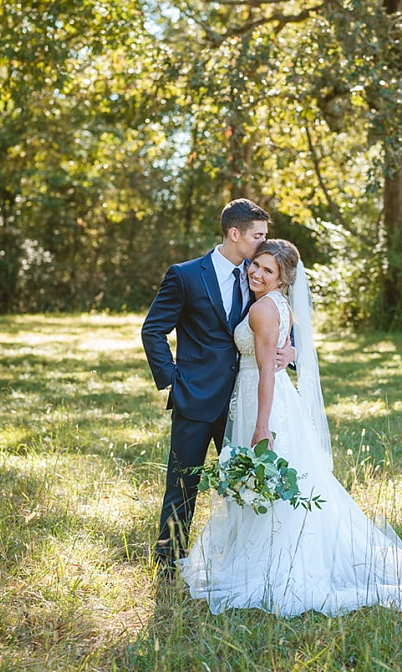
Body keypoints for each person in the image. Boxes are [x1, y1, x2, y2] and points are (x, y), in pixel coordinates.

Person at [180, 239, 402, 614]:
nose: (256, 273)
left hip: (264, 400)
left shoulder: (264, 308)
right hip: (269, 396)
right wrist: (289, 353)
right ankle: (261, 552)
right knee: (281, 481)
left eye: (268, 270)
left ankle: (275, 562)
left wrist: (261, 425)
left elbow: (265, 369)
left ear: (283, 280)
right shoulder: (275, 304)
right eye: (256, 265)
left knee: (272, 479)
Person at [141, 199, 294, 575]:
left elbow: (277, 317)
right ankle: (167, 561)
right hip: (194, 396)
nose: (264, 242)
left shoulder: (257, 275)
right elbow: (153, 330)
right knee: (182, 484)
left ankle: (246, 562)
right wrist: (173, 382)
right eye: (258, 235)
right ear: (235, 234)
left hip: (242, 399)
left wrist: (290, 351)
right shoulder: (186, 275)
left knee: (246, 485)